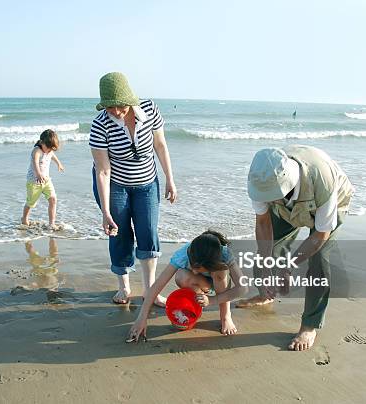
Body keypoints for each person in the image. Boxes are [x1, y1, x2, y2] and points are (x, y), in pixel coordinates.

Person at [237, 145, 354, 351]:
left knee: (320, 261)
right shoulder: (259, 179)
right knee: (267, 252)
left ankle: (310, 325)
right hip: (286, 208)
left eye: (272, 193)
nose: (267, 198)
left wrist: (289, 266)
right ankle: (265, 294)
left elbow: (320, 235)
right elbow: (263, 224)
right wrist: (266, 267)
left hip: (327, 202)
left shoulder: (322, 180)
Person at [89, 72, 177, 306]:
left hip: (147, 183)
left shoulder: (149, 110)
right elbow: (102, 171)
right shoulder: (100, 125)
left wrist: (169, 178)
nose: (116, 111)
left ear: (130, 99)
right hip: (114, 184)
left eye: (120, 106)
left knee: (148, 231)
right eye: (110, 107)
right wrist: (105, 212)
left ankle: (150, 290)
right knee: (120, 234)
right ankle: (124, 287)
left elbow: (160, 145)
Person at [126, 230, 249, 342]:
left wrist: (212, 300)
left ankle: (225, 316)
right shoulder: (183, 254)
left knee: (220, 272)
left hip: (217, 286)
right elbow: (157, 286)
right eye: (193, 267)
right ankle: (198, 302)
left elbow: (243, 288)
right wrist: (141, 318)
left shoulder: (224, 254)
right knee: (182, 275)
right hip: (199, 284)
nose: (194, 271)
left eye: (199, 269)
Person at [21, 129, 65, 229]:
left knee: (53, 199)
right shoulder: (37, 150)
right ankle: (24, 218)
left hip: (46, 181)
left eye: (51, 149)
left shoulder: (49, 150)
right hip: (34, 182)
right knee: (31, 203)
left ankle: (52, 223)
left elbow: (52, 155)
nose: (50, 151)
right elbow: (35, 162)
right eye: (48, 148)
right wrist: (38, 174)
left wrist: (58, 163)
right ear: (42, 142)